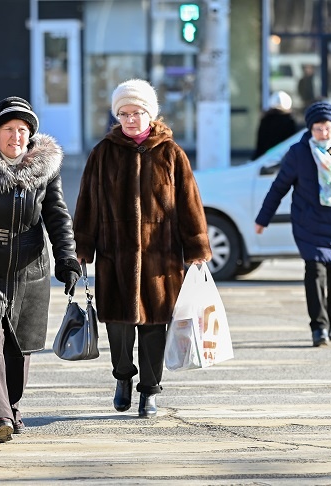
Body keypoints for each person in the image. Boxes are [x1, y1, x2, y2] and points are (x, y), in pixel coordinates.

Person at [73, 79, 211, 418]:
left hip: (159, 260)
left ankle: (150, 390)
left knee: (154, 329)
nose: (130, 119)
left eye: (136, 112)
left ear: (150, 113)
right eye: (123, 113)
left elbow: (190, 204)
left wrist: (196, 250)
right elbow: (87, 203)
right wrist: (82, 247)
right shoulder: (103, 153)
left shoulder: (171, 154)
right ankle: (122, 377)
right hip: (114, 256)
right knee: (118, 330)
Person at [0, 96, 81, 443]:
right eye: (9, 129)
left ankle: (13, 404)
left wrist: (67, 258)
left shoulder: (44, 169)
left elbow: (57, 216)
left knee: (21, 347)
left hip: (31, 266)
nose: (16, 136)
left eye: (22, 130)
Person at [254, 100, 331, 347]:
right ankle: (318, 327)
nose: (323, 133)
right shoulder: (298, 153)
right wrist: (262, 219)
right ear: (310, 129)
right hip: (308, 222)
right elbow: (279, 188)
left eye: (327, 128)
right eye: (317, 128)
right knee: (315, 272)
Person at [253, 91, 298, 159]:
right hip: (283, 159)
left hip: (265, 159)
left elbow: (260, 144)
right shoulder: (289, 121)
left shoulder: (265, 120)